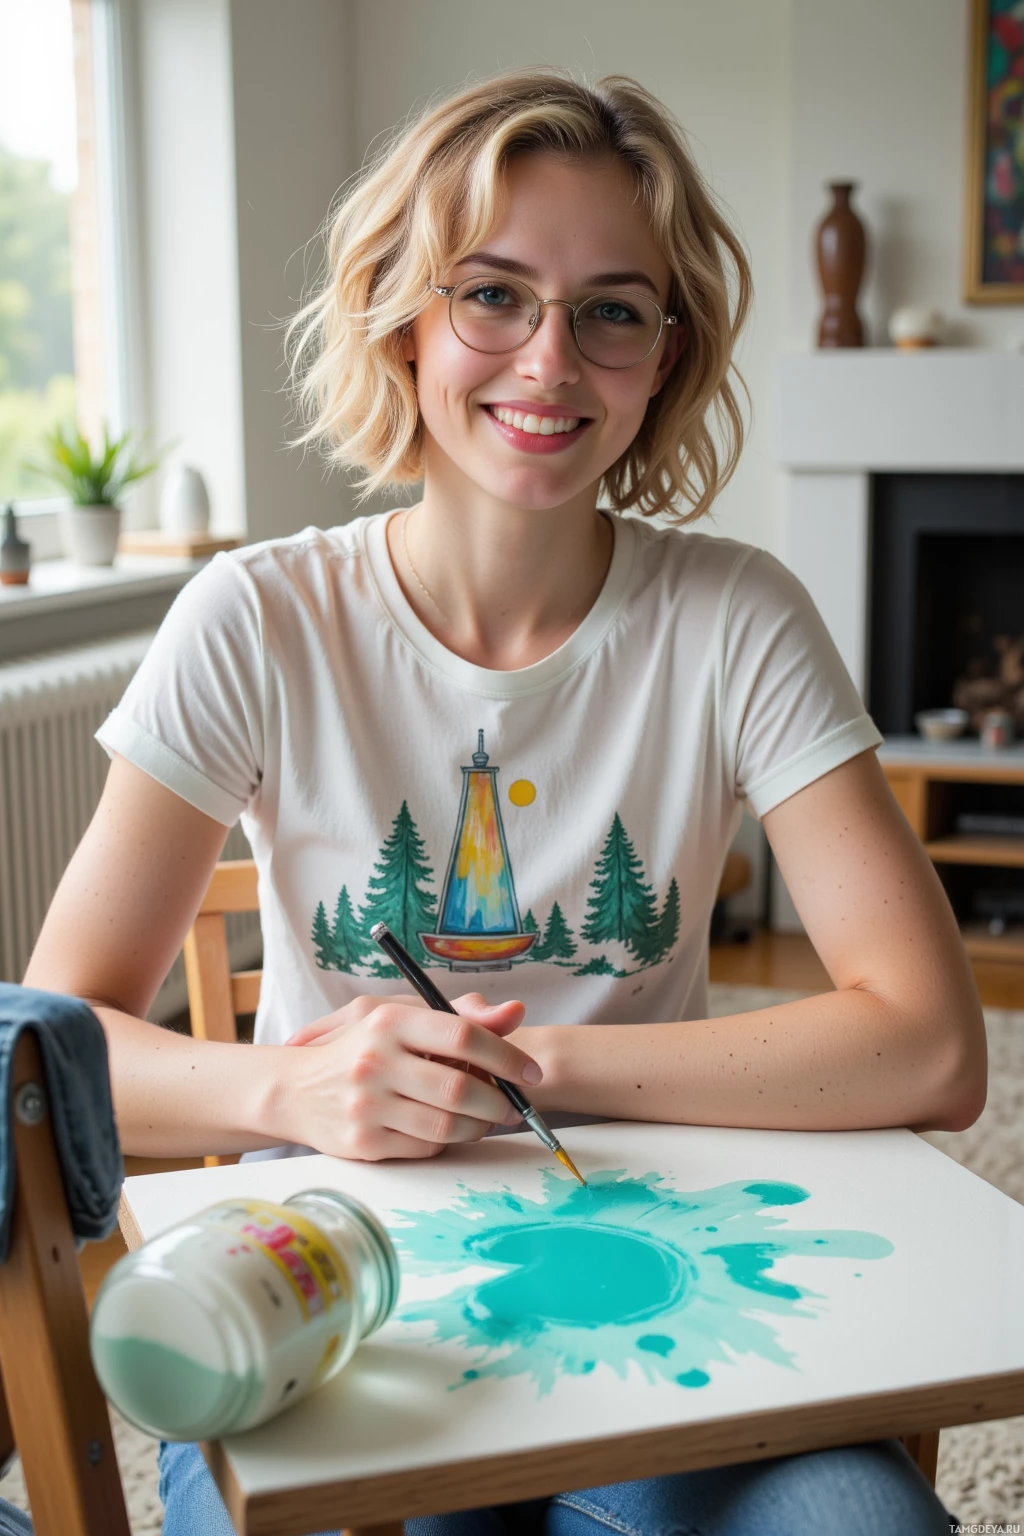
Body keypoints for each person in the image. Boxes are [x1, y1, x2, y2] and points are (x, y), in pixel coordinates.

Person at [27, 69, 974, 1536]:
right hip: (328, 1311)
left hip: (658, 1288)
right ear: (405, 320)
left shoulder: (737, 617)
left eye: (612, 308)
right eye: (492, 295)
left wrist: (539, 1072)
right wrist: (288, 1089)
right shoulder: (254, 619)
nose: (548, 360)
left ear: (663, 356)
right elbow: (52, 1056)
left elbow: (929, 1043)